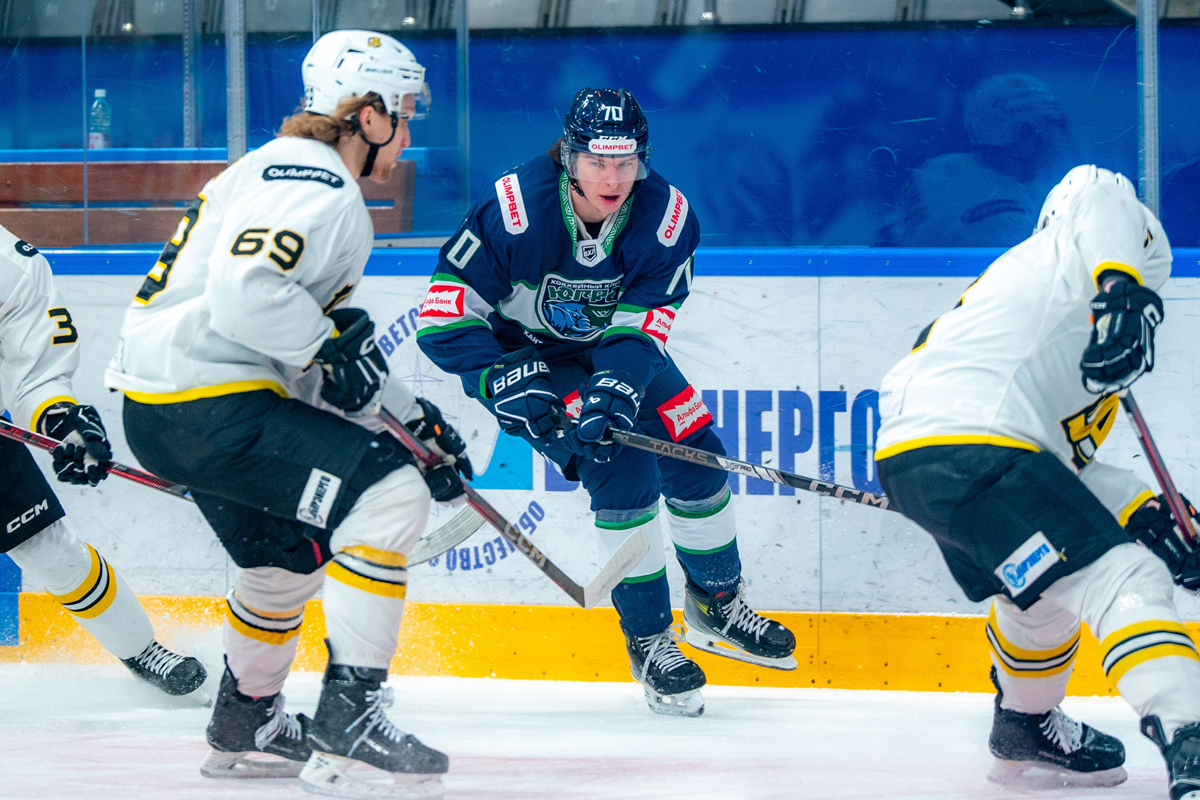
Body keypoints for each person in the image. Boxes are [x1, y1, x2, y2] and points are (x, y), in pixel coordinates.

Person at [105, 30, 470, 799]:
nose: (407, 134)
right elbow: (250, 296)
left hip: (164, 408)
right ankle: (351, 719)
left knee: (283, 562)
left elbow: (290, 341)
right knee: (390, 493)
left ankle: (248, 723)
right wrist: (329, 349)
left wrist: (408, 419)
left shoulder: (271, 167)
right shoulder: (321, 185)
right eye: (402, 115)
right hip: (212, 403)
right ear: (366, 115)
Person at [415, 87, 797, 718]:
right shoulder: (514, 210)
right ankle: (649, 640)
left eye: (626, 162)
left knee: (697, 453)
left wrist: (617, 387)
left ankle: (717, 603)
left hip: (615, 348)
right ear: (568, 157)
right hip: (529, 357)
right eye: (597, 162)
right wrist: (502, 378)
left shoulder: (666, 216)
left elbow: (641, 325)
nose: (613, 178)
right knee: (619, 468)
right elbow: (442, 315)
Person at [875, 165, 1200, 797]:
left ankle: (1025, 724)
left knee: (1043, 591)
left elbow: (1060, 476)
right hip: (977, 445)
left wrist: (1145, 512)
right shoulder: (1086, 227)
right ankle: (1188, 731)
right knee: (1125, 578)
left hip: (914, 460)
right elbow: (1100, 192)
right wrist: (1122, 293)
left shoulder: (1020, 315)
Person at [0, 224, 206, 697]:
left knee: (48, 549)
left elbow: (35, 375)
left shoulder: (14, 267)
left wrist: (62, 423)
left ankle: (141, 650)